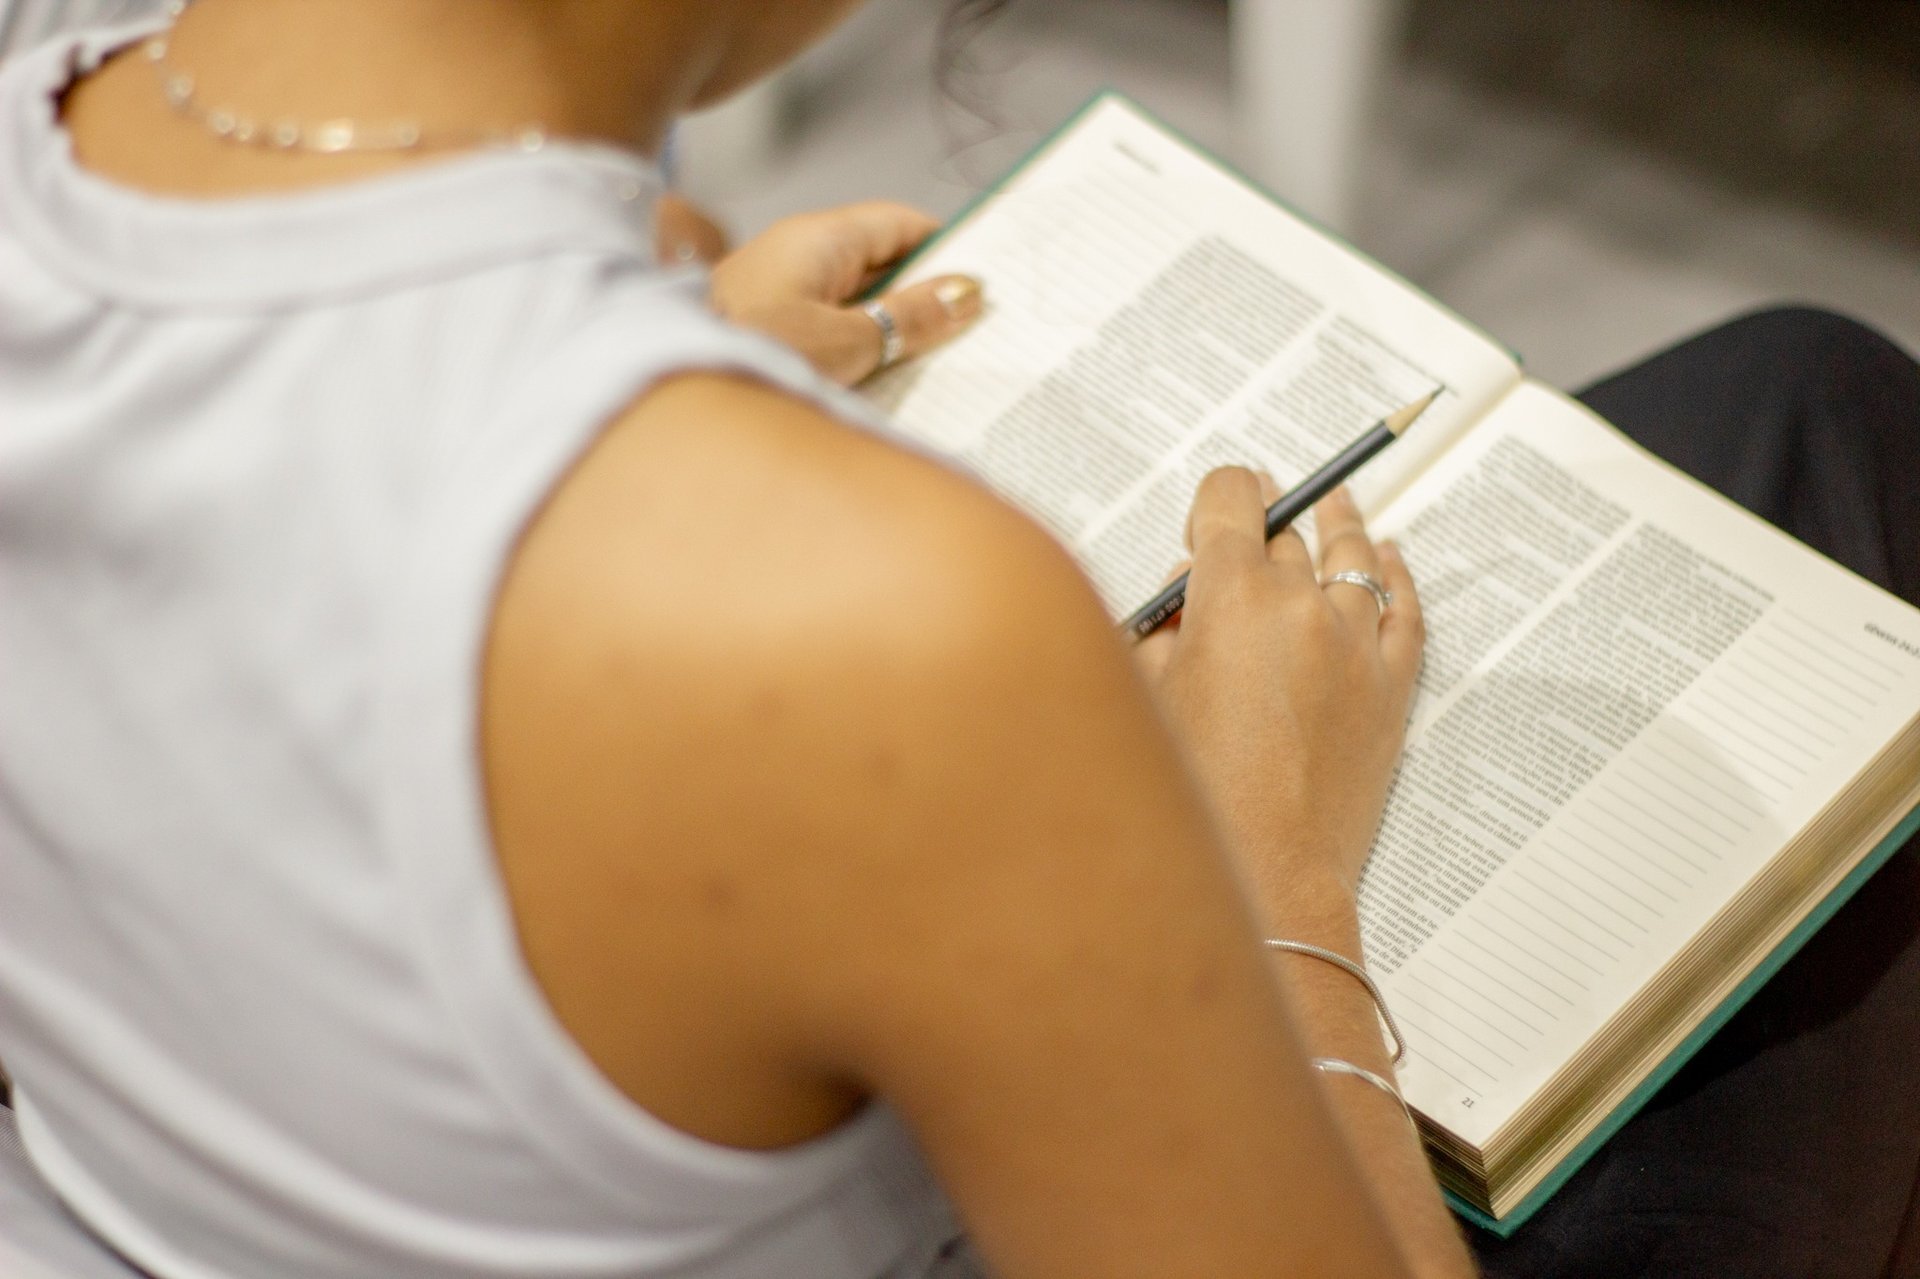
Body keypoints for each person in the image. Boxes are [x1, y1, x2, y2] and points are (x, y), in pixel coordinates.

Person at [0, 5, 1913, 1279]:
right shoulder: (888, 617)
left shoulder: (59, 119)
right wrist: (1266, 860)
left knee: (1800, 398)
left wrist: (666, 353)